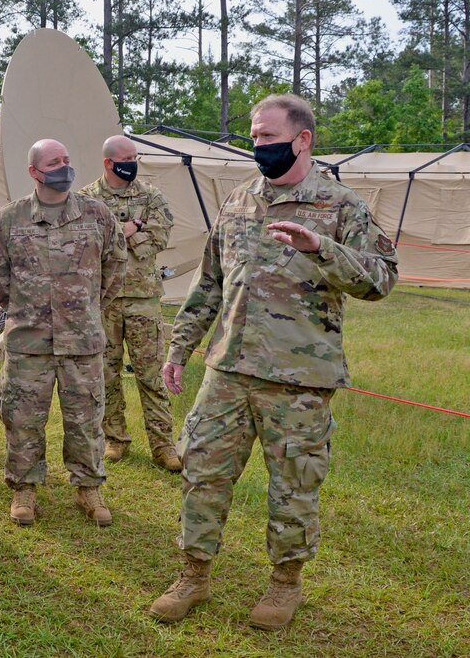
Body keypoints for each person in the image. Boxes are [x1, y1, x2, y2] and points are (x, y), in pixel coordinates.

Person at [150, 94, 399, 630]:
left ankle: (284, 586)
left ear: (302, 139)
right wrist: (179, 347)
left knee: (293, 485)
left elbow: (381, 279)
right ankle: (193, 576)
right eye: (254, 136)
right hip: (228, 370)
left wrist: (322, 249)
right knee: (203, 474)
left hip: (299, 380)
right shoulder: (239, 201)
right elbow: (209, 282)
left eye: (266, 136)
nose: (256, 144)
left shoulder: (340, 205)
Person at [0, 139, 126, 526]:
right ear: (34, 172)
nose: (64, 166)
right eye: (54, 161)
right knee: (23, 417)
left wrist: (88, 309)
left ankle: (88, 487)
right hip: (29, 341)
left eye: (66, 159)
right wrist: (25, 309)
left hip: (82, 340)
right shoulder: (9, 220)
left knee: (86, 417)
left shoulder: (98, 215)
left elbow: (115, 266)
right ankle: (24, 488)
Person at [81, 135, 180, 471]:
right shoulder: (86, 199)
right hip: (103, 300)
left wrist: (122, 234)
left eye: (136, 157)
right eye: (127, 158)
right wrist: (122, 229)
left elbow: (159, 239)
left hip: (142, 299)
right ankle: (115, 439)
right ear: (109, 163)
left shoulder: (151, 196)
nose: (133, 163)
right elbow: (83, 244)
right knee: (106, 373)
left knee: (150, 374)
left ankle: (164, 444)